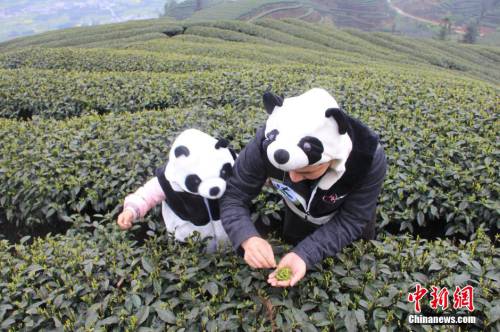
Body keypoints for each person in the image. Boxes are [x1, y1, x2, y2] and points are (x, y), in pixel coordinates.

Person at [220, 88, 387, 287]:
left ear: (332, 158)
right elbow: (234, 195)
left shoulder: (368, 157)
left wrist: (306, 253)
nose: (293, 178)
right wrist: (247, 237)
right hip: (297, 215)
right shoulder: (268, 139)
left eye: (306, 172)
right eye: (288, 170)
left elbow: (352, 220)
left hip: (349, 232)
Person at [117, 129, 237, 253]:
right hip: (190, 242)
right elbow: (146, 195)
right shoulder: (169, 180)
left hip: (230, 238)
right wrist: (131, 210)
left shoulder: (225, 158)